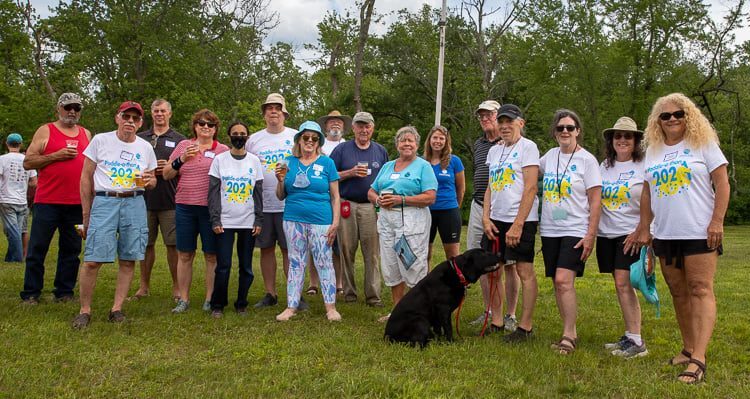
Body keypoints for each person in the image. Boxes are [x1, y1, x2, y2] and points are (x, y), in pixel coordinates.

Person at [631, 93, 729, 384]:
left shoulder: (703, 144)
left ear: (688, 116)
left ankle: (699, 357)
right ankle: (688, 348)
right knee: (677, 291)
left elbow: (721, 183)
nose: (672, 119)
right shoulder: (654, 151)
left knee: (700, 289)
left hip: (699, 230)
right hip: (665, 233)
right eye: (665, 115)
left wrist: (717, 221)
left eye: (678, 114)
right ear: (657, 121)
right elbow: (648, 192)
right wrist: (644, 228)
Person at [72, 101, 157, 328]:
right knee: (92, 259)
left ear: (140, 123)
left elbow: (152, 179)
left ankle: (117, 308)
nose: (130, 121)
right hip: (105, 201)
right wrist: (86, 212)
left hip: (134, 202)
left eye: (135, 118)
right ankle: (84, 310)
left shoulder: (145, 147)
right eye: (126, 116)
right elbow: (85, 177)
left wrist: (151, 181)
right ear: (117, 118)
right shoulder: (100, 140)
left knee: (129, 258)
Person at [539, 109, 602, 355]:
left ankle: (568, 335)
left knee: (565, 281)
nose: (565, 131)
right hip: (550, 229)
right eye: (560, 128)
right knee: (557, 282)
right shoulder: (548, 157)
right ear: (555, 133)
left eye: (570, 128)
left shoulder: (587, 160)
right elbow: (529, 173)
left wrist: (590, 235)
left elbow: (596, 201)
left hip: (575, 228)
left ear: (578, 131)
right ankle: (570, 329)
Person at [21, 93, 92, 304]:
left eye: (76, 108)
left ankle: (64, 291)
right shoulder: (46, 130)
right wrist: (55, 156)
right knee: (37, 248)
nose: (72, 111)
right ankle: (31, 292)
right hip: (47, 202)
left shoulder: (85, 133)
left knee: (72, 249)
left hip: (77, 203)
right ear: (58, 109)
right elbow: (27, 162)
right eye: (68, 107)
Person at [481, 104, 540, 342]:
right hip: (496, 219)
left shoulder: (528, 148)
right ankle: (496, 321)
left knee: (524, 270)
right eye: (501, 122)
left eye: (510, 122)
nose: (505, 126)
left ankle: (524, 326)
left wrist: (518, 224)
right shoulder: (495, 151)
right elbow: (489, 187)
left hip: (521, 219)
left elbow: (531, 187)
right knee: (493, 270)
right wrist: (486, 217)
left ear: (520, 123)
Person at [368, 126, 437, 323]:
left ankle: (419, 313)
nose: (406, 144)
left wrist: (402, 200)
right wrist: (377, 200)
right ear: (397, 144)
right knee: (391, 266)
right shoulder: (388, 166)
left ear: (416, 144)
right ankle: (398, 312)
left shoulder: (423, 166)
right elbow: (371, 191)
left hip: (411, 220)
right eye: (402, 140)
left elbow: (430, 196)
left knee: (412, 265)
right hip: (387, 220)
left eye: (411, 140)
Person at [274, 121, 341, 322]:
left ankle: (330, 307)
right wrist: (279, 180)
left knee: (324, 261)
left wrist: (335, 222)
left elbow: (336, 196)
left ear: (319, 141)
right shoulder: (287, 162)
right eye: (306, 137)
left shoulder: (327, 163)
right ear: (299, 140)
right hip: (293, 219)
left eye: (314, 138)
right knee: (296, 261)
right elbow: (280, 195)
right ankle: (291, 306)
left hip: (321, 220)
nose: (310, 141)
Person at [163, 109, 229, 313]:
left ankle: (209, 298)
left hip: (211, 209)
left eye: (210, 124)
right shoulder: (184, 145)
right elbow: (166, 174)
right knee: (185, 254)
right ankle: (184, 299)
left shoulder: (222, 150)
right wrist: (181, 159)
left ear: (215, 129)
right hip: (185, 206)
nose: (205, 127)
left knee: (211, 255)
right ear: (195, 126)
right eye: (201, 124)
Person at [596, 117, 648, 358]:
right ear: (612, 140)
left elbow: (654, 201)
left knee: (624, 283)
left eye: (628, 136)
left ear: (636, 140)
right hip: (606, 233)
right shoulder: (604, 166)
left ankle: (637, 342)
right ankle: (629, 335)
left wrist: (644, 230)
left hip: (631, 234)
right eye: (618, 136)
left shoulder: (645, 165)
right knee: (619, 285)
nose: (622, 140)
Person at [467, 100, 520, 332]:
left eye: (489, 115)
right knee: (481, 262)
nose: (485, 119)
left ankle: (510, 315)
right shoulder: (479, 144)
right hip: (479, 207)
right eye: (481, 116)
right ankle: (489, 311)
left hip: (504, 211)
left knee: (509, 264)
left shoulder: (511, 143)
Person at [245, 93, 298, 308]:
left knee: (290, 250)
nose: (273, 111)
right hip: (263, 204)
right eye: (269, 108)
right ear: (264, 114)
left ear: (284, 112)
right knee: (266, 249)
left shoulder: (296, 137)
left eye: (277, 107)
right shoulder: (254, 140)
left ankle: (294, 294)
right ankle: (270, 293)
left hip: (291, 203)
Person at [329, 111, 388, 307]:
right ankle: (349, 293)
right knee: (346, 250)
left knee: (372, 252)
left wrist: (382, 206)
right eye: (360, 126)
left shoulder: (380, 151)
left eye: (367, 126)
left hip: (371, 206)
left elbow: (386, 179)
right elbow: (330, 176)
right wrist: (350, 172)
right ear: (353, 128)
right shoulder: (341, 150)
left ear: (372, 128)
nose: (363, 130)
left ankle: (373, 295)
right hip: (347, 204)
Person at [207, 122, 264, 318]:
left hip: (248, 222)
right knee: (223, 266)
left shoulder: (255, 161)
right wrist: (215, 220)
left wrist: (259, 220)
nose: (239, 136)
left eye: (242, 134)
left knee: (246, 267)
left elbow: (258, 193)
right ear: (229, 136)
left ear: (247, 137)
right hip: (225, 221)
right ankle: (218, 304)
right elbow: (213, 193)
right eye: (235, 134)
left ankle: (241, 303)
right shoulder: (219, 160)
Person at [134, 99, 186, 300]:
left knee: (172, 245)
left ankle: (176, 287)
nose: (159, 114)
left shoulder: (180, 140)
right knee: (145, 244)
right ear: (151, 113)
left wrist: (170, 167)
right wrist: (149, 170)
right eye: (156, 111)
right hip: (143, 200)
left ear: (170, 114)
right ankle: (143, 286)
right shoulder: (140, 139)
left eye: (163, 111)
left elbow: (187, 169)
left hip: (170, 200)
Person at [304, 110, 351, 296]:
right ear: (325, 126)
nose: (335, 125)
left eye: (339, 122)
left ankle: (338, 283)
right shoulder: (316, 144)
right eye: (332, 122)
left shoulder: (347, 147)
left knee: (337, 244)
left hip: (340, 200)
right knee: (314, 244)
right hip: (317, 200)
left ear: (344, 126)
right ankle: (313, 283)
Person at [424, 125, 464, 265]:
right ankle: (424, 285)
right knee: (424, 254)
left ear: (446, 141)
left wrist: (454, 207)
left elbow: (461, 188)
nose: (438, 141)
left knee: (453, 256)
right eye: (435, 137)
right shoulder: (422, 162)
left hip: (448, 212)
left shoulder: (455, 161)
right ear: (429, 140)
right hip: (425, 212)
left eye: (442, 138)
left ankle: (458, 285)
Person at [0, 133, 37, 262]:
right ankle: (10, 257)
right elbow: (34, 182)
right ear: (21, 144)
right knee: (17, 230)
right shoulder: (26, 160)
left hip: (6, 199)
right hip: (22, 200)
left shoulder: (2, 159)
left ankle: (16, 258)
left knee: (12, 231)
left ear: (7, 144)